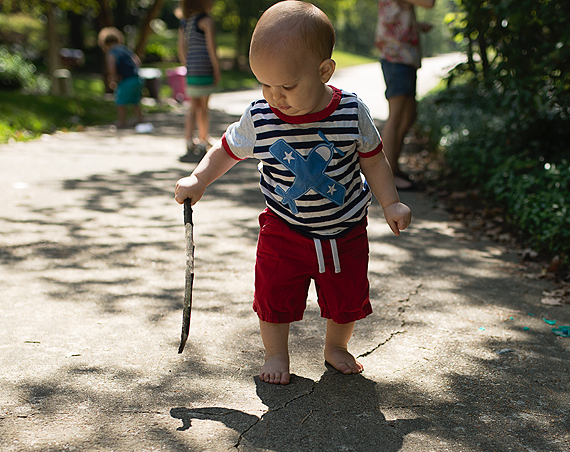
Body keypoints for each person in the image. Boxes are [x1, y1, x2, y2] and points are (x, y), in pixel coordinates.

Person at [174, 1, 412, 385]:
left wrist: (391, 201)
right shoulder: (260, 116)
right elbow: (225, 149)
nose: (274, 96)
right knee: (273, 294)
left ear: (323, 71)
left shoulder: (350, 112)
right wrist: (199, 179)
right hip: (284, 228)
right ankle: (276, 354)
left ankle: (335, 346)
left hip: (344, 228)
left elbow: (373, 159)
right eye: (264, 84)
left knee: (345, 297)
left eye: (286, 86)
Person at [375, 0, 435, 191]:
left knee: (409, 115)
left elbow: (395, 15)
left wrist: (415, 27)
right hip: (396, 55)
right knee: (397, 114)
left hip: (404, 54)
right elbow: (429, 3)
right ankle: (388, 175)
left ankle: (394, 166)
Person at [178, 0, 221, 153]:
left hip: (192, 68)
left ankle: (189, 140)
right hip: (204, 67)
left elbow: (181, 48)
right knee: (203, 107)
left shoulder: (185, 23)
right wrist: (216, 68)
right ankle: (203, 139)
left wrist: (188, 65)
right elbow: (211, 46)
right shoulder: (207, 21)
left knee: (192, 106)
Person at [98, 27, 144, 129]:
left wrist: (113, 79)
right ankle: (140, 119)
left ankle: (121, 121)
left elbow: (111, 68)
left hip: (126, 79)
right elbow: (137, 61)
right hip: (137, 78)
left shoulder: (111, 53)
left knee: (120, 100)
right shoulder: (125, 49)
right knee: (135, 100)